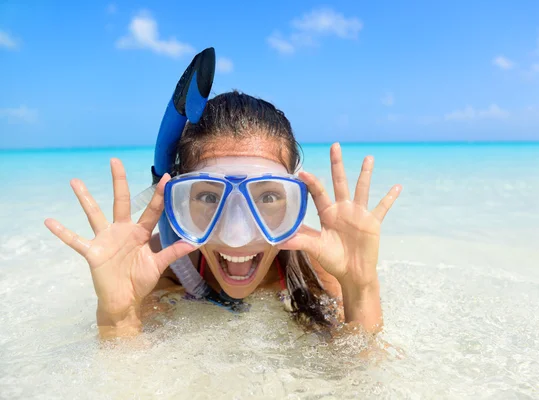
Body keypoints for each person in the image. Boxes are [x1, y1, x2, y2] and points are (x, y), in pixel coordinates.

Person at [44, 53, 401, 340]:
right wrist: (118, 316)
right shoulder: (153, 268)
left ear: (296, 202)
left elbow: (364, 382)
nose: (237, 232)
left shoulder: (316, 267)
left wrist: (361, 286)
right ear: (177, 202)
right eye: (209, 198)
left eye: (267, 198)